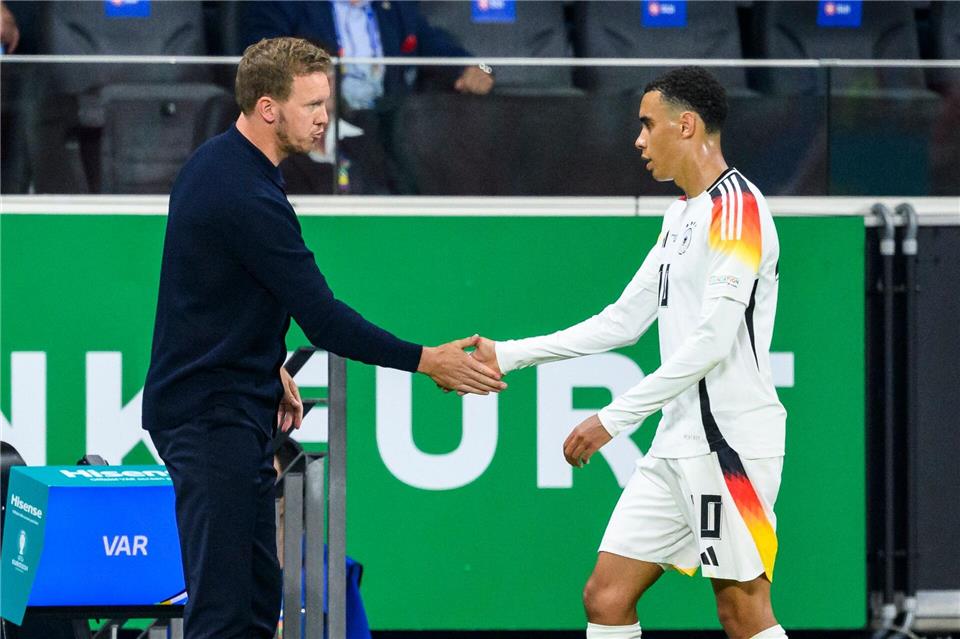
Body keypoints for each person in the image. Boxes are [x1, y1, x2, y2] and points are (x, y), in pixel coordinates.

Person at [141, 37, 505, 639]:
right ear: (267, 108)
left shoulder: (218, 163)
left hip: (230, 401)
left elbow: (209, 293)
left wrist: (264, 363)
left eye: (326, 102)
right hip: (210, 419)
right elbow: (325, 320)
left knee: (257, 604)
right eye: (310, 104)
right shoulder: (246, 193)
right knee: (224, 615)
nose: (323, 117)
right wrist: (424, 361)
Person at [471, 66, 788, 639]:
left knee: (742, 611)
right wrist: (508, 354)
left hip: (730, 444)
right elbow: (622, 321)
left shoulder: (740, 211)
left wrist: (613, 420)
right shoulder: (679, 215)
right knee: (606, 596)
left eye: (647, 125)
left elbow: (712, 342)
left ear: (686, 125)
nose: (638, 140)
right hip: (676, 442)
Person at [241, 0, 494, 193]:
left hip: (386, 124)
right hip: (320, 121)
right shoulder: (286, 4)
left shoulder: (395, 6)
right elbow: (264, 60)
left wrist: (470, 68)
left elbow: (430, 41)